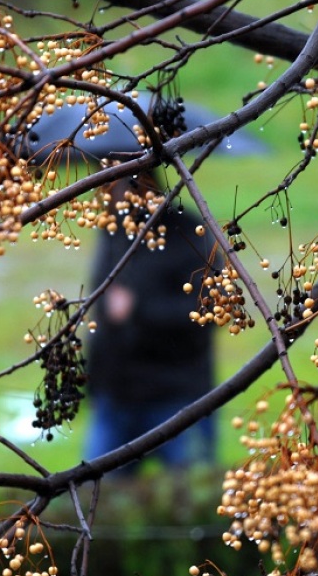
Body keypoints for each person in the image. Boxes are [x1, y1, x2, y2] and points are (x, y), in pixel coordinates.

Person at [83, 172, 219, 472]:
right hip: (115, 392)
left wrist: (138, 309)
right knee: (98, 490)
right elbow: (103, 302)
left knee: (189, 491)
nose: (108, 191)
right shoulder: (114, 230)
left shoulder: (187, 232)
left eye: (117, 180)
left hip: (176, 395)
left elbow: (206, 311)